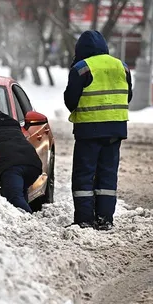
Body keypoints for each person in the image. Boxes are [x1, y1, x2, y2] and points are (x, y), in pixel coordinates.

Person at [64, 30, 133, 230]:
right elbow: (127, 96)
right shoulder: (122, 66)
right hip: (116, 129)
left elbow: (70, 101)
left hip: (89, 130)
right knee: (107, 174)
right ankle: (105, 219)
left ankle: (84, 220)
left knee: (84, 174)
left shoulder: (81, 68)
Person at [0, 108, 42, 213]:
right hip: (34, 165)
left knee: (14, 197)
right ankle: (21, 221)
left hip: (11, 166)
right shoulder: (14, 126)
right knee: (21, 193)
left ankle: (29, 220)